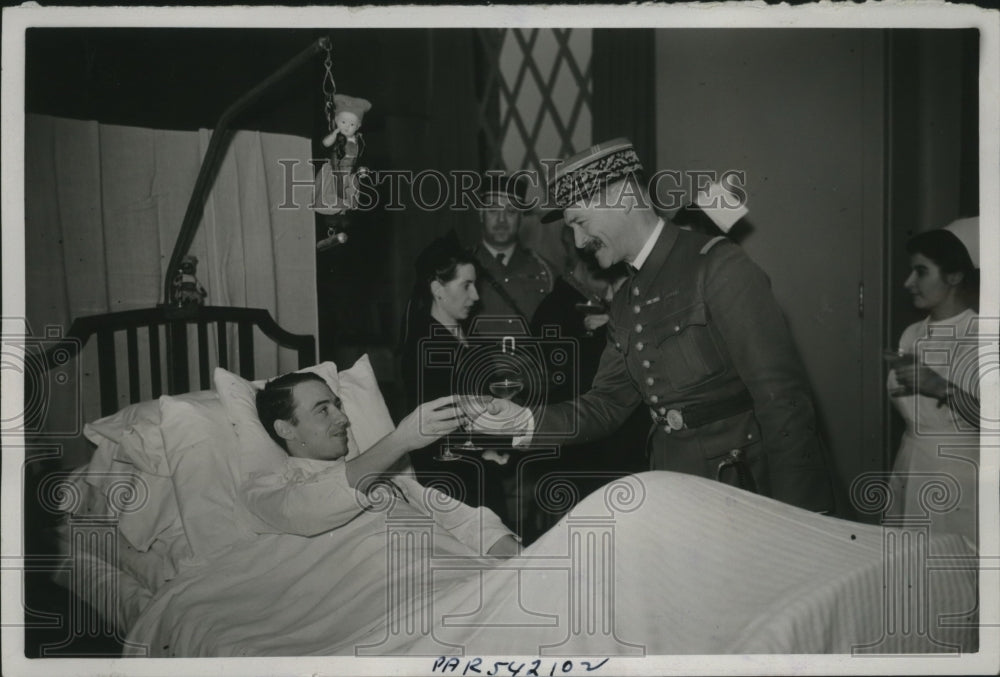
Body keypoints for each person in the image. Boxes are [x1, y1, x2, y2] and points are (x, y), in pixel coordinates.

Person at [476, 138, 835, 514]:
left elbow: (784, 402)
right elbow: (606, 405)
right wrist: (522, 420)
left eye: (580, 222)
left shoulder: (718, 267)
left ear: (622, 199)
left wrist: (802, 516)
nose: (579, 242)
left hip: (741, 490)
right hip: (672, 493)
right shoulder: (625, 300)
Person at [246, 370, 519, 557]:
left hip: (462, 579)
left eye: (338, 405)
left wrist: (523, 561)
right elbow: (308, 509)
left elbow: (465, 522)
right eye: (323, 410)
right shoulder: (266, 488)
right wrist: (402, 439)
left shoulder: (391, 480)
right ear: (285, 429)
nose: (342, 418)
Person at [399, 232, 511, 524]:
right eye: (466, 285)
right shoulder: (423, 346)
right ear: (438, 289)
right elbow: (436, 422)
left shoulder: (469, 336)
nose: (476, 296)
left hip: (480, 466)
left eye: (475, 285)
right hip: (449, 478)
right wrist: (484, 449)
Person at [886, 220, 980, 547]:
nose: (908, 282)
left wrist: (940, 387)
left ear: (954, 276)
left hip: (958, 473)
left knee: (950, 563)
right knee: (908, 560)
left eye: (921, 272)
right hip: (911, 462)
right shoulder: (912, 334)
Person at [471, 173, 556, 335]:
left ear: (521, 217)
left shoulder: (546, 272)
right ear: (481, 213)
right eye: (493, 210)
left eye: (511, 211)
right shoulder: (459, 267)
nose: (502, 220)